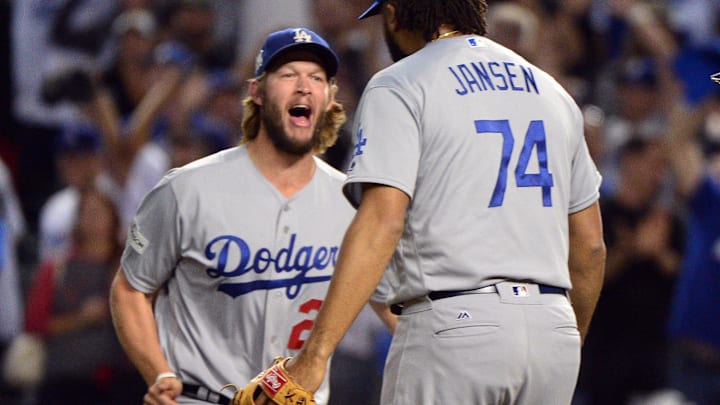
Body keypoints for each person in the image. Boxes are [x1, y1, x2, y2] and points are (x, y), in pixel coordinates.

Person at [279, 1, 606, 404]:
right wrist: (563, 341)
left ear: (395, 15)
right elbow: (590, 246)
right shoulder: (552, 90)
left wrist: (315, 354)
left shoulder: (400, 82)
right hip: (552, 331)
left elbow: (382, 222)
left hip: (455, 326)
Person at [109, 27, 353, 405]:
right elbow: (130, 288)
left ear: (330, 97)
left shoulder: (350, 202)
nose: (304, 86)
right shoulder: (187, 189)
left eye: (317, 78)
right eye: (289, 75)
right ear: (256, 92)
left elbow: (393, 304)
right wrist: (159, 371)